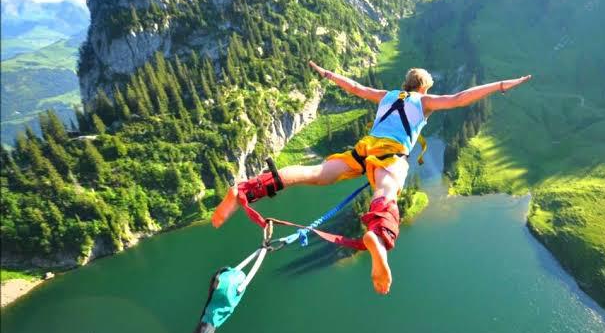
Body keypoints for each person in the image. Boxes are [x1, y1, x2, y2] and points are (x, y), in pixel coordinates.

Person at [212, 61, 532, 295]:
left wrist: (327, 73)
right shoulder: (425, 101)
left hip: (364, 149)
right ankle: (377, 235)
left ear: (405, 83)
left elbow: (353, 87)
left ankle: (245, 189)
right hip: (391, 155)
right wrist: (501, 85)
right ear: (423, 88)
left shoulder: (386, 95)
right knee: (387, 188)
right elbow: (461, 97)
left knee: (317, 173)